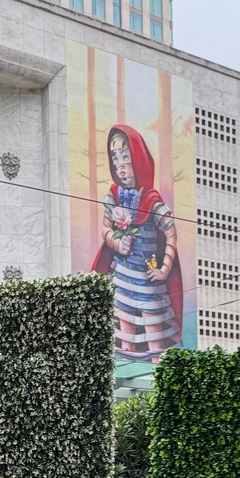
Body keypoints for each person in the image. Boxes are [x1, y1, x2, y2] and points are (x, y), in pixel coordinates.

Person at [92, 125, 183, 359]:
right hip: (122, 278)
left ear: (138, 158)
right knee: (125, 344)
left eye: (125, 156)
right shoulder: (113, 195)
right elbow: (105, 228)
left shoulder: (152, 200)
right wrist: (115, 241)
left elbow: (171, 232)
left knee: (155, 345)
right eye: (115, 158)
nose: (120, 166)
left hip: (147, 282)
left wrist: (164, 269)